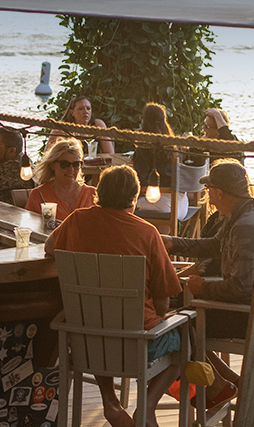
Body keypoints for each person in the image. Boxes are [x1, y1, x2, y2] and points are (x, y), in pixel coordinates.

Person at [42, 164, 187, 427]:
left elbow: (50, 247)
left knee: (99, 322)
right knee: (183, 344)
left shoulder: (76, 220)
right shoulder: (147, 233)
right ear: (134, 197)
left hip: (86, 341)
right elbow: (164, 301)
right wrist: (164, 314)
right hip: (138, 344)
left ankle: (110, 401)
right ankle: (146, 406)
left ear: (100, 192)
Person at [164, 160, 254, 407]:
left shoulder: (245, 228)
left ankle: (212, 394)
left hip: (248, 317)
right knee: (180, 322)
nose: (209, 197)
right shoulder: (245, 215)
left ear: (219, 192)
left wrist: (201, 287)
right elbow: (212, 245)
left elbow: (240, 288)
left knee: (175, 327)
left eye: (209, 191)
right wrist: (172, 242)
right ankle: (231, 383)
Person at [25, 139, 95, 221]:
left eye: (76, 164)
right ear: (52, 165)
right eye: (65, 164)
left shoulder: (93, 195)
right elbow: (29, 227)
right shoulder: (38, 195)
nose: (71, 169)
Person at [132, 102, 177, 197]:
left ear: (145, 122)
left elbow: (140, 179)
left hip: (155, 198)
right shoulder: (175, 147)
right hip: (179, 200)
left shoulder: (144, 148)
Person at [50, 95, 114, 155]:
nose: (85, 111)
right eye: (81, 109)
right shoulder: (61, 127)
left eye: (88, 108)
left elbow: (109, 153)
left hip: (94, 164)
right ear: (72, 112)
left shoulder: (98, 125)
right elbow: (47, 154)